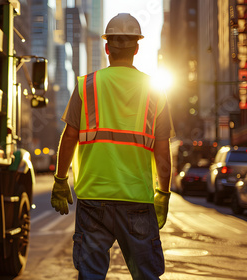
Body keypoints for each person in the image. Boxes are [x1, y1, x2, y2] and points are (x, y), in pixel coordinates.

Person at [50, 13, 174, 280]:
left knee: (91, 275)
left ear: (107, 47)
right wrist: (163, 194)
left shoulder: (85, 86)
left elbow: (69, 137)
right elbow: (162, 152)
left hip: (94, 199)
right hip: (138, 201)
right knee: (147, 276)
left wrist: (60, 180)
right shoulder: (156, 91)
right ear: (136, 48)